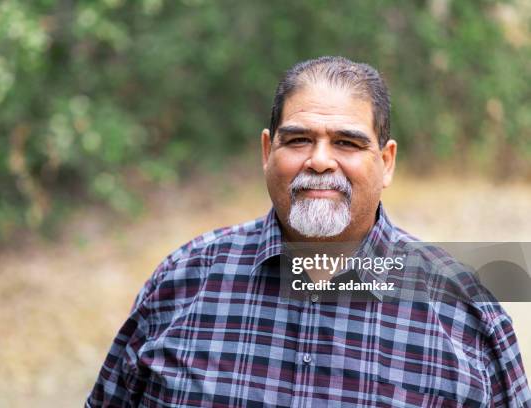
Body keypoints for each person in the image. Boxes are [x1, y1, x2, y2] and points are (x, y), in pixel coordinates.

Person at [86, 56, 531, 407]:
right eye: (298, 140)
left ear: (387, 161)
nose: (319, 160)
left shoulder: (465, 315)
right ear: (267, 150)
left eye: (347, 143)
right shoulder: (183, 283)